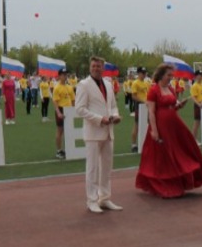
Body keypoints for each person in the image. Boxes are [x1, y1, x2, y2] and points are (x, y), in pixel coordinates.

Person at [136, 64, 202, 198]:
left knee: (182, 150)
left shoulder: (170, 88)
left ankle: (180, 181)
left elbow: (172, 106)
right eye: (168, 75)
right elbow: (152, 112)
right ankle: (165, 184)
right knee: (165, 155)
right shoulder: (153, 90)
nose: (171, 78)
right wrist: (154, 131)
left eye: (172, 75)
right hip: (161, 125)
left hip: (174, 125)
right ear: (161, 75)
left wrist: (179, 106)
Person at [75, 56, 122, 214]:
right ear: (90, 67)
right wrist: (99, 119)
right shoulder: (84, 85)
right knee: (93, 168)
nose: (96, 68)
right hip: (94, 132)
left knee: (106, 168)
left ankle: (105, 198)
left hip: (108, 131)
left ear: (103, 68)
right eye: (94, 66)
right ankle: (92, 200)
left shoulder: (108, 84)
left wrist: (115, 115)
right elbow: (80, 109)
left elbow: (113, 106)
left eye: (99, 66)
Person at [53, 69, 75, 159]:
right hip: (61, 110)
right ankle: (59, 151)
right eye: (63, 75)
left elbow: (73, 99)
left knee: (69, 131)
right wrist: (58, 112)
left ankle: (69, 149)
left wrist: (74, 110)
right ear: (59, 76)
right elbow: (55, 101)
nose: (65, 76)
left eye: (66, 74)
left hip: (69, 110)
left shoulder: (69, 87)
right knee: (60, 131)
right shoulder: (57, 87)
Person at [130, 68, 149, 153]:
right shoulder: (135, 83)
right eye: (142, 73)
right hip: (139, 105)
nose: (144, 74)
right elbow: (133, 96)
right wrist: (143, 101)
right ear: (138, 73)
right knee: (137, 124)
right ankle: (133, 144)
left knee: (148, 124)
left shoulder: (146, 83)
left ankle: (146, 143)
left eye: (145, 73)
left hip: (146, 105)